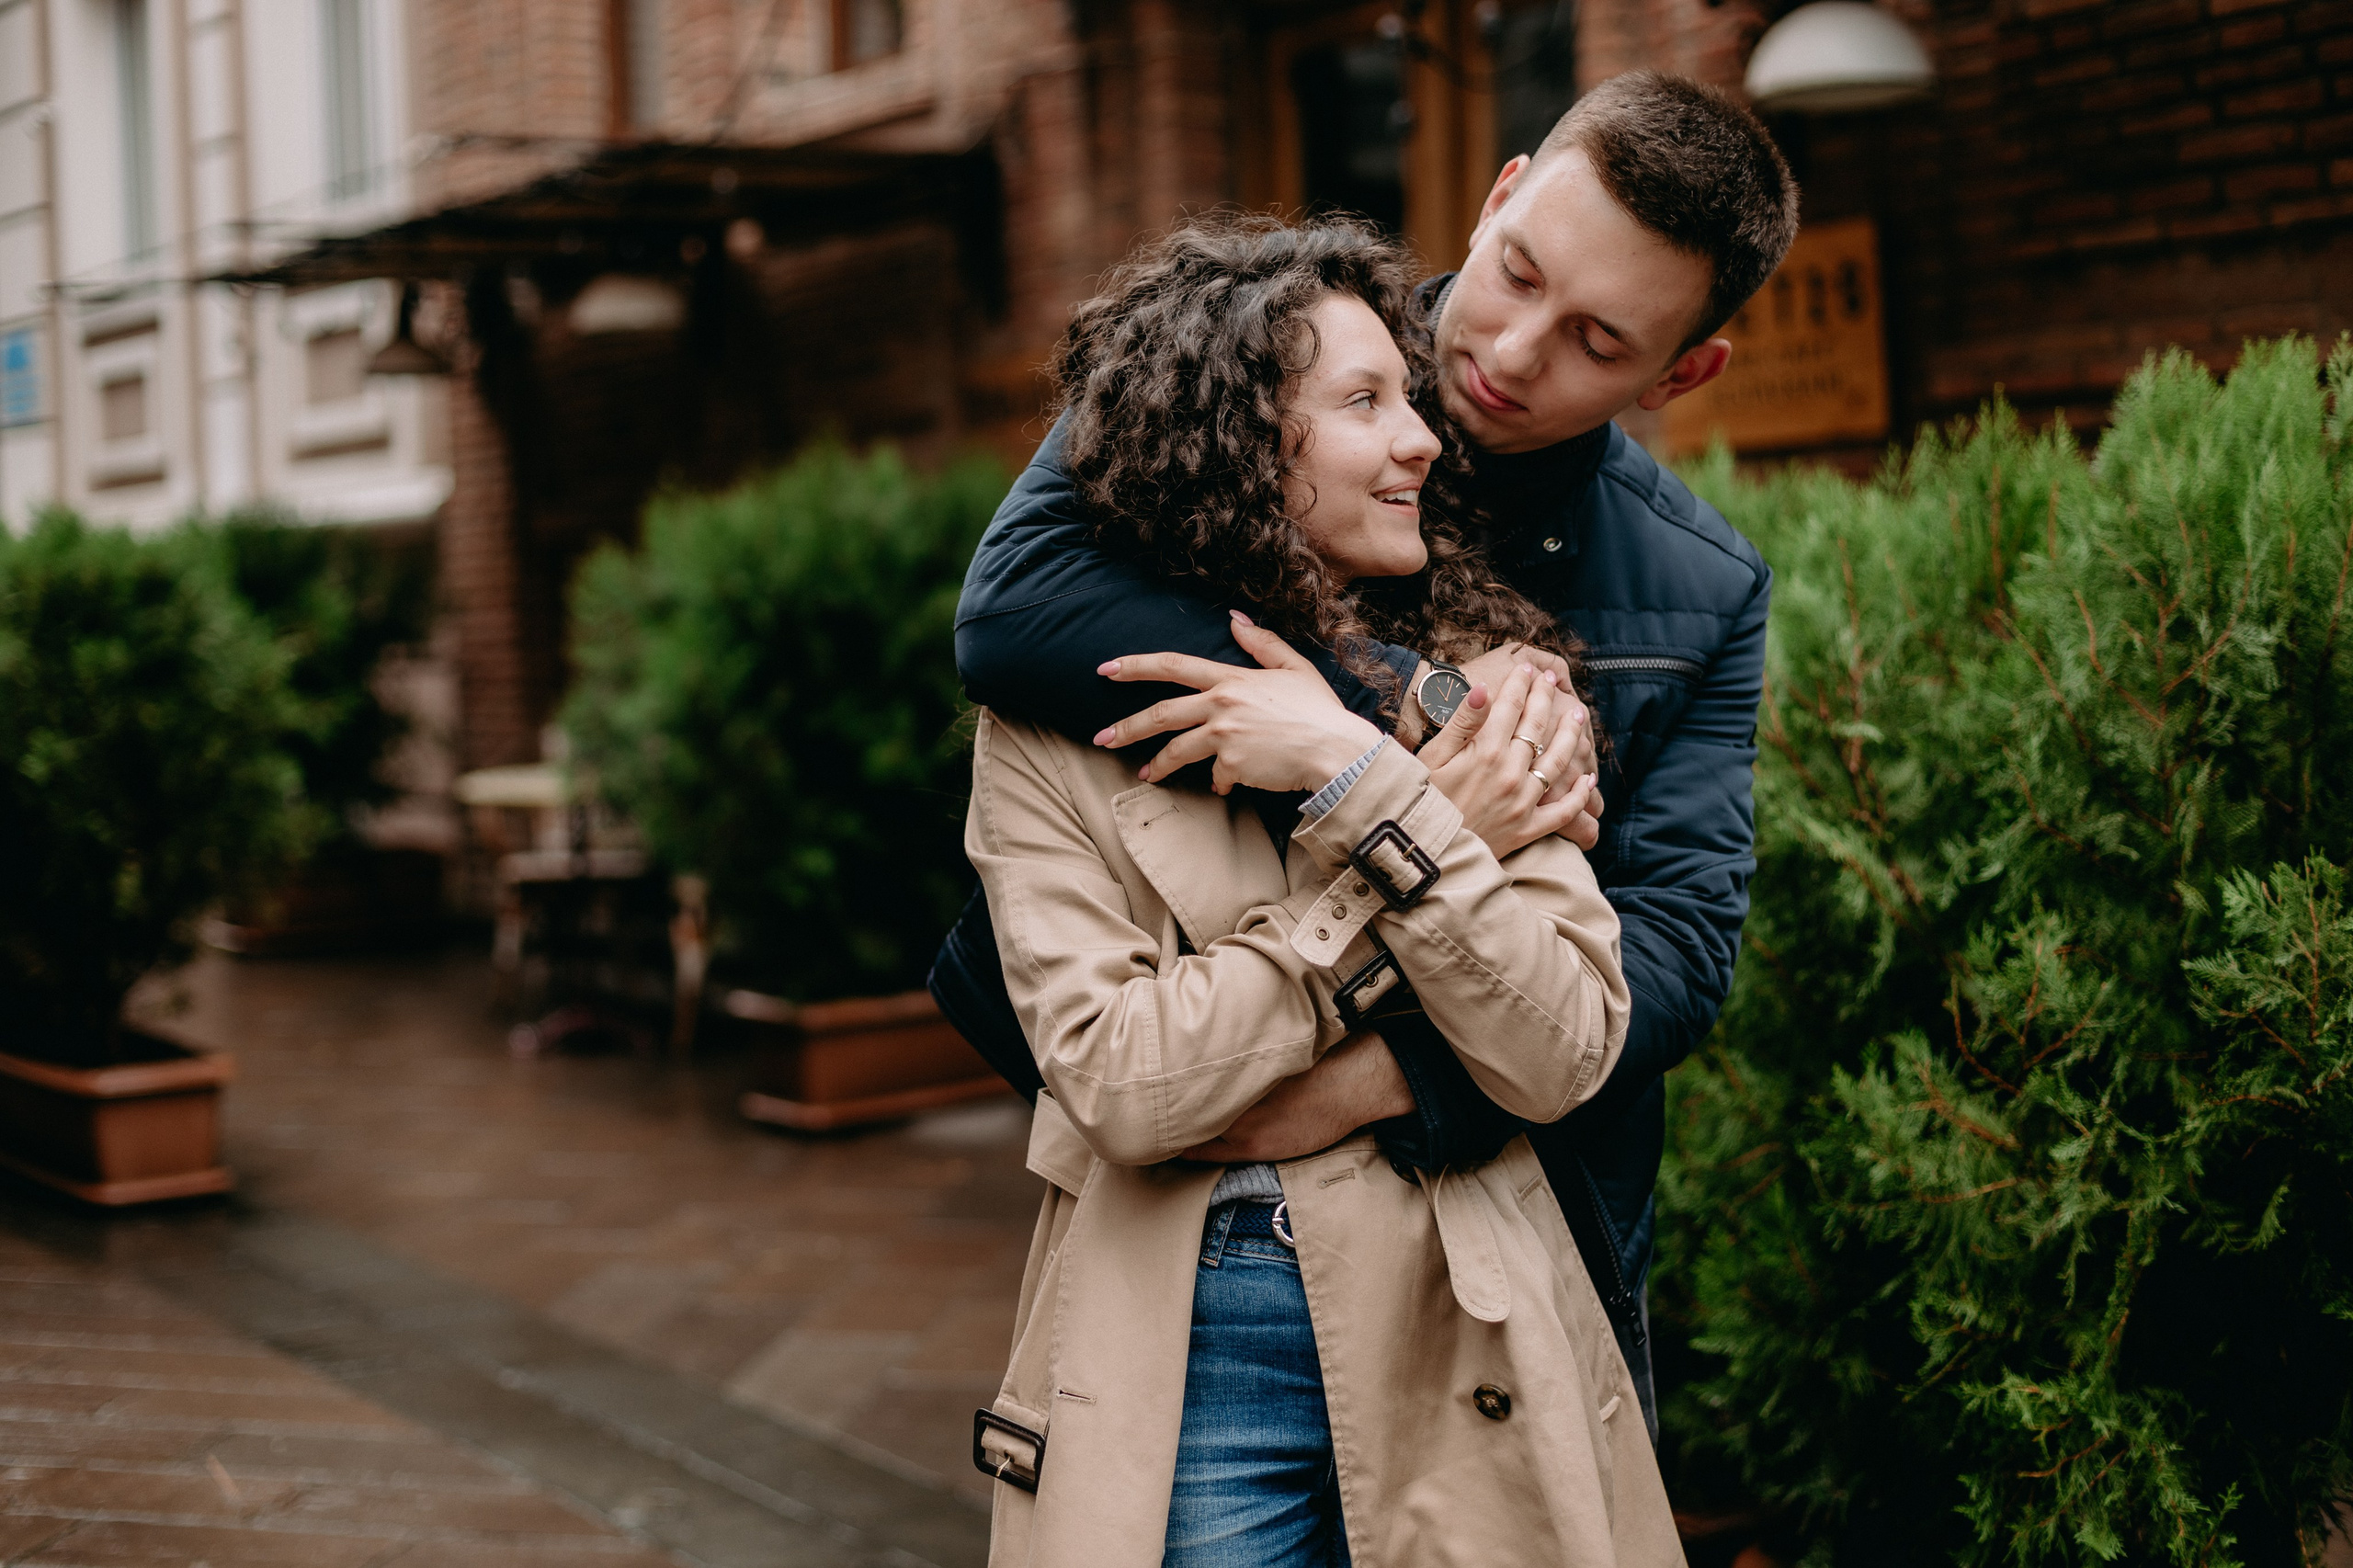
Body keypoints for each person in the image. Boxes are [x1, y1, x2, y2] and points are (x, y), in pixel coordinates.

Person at [933, 70, 1798, 1439]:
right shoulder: (1253, 358)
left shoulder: (1700, 589)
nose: (1511, 353)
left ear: (1681, 373)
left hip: (1515, 1231)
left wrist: (1369, 1082)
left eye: (1595, 341)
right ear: (1503, 191)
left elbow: (1678, 952)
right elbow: (1014, 608)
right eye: (1517, 274)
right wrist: (1398, 714)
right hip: (1208, 1237)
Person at [967, 214, 1680, 1566]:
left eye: (1410, 399)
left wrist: (1357, 773)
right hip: (1180, 1339)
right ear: (1237, 443)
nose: (1422, 440)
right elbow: (1121, 1079)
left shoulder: (1470, 683)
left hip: (1463, 1301)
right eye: (1365, 403)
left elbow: (1564, 1042)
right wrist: (1395, 872)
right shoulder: (1048, 728)